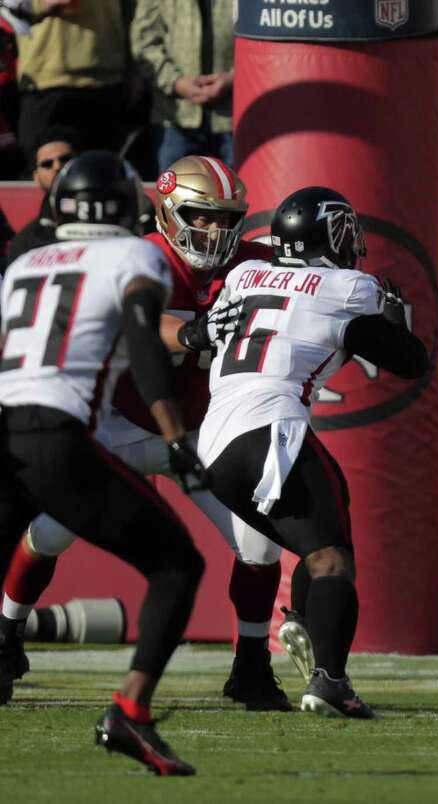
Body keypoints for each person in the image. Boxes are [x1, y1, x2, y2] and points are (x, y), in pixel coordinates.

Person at [0, 156, 296, 712]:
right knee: (50, 532)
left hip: (202, 429)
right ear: (164, 209)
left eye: (227, 219)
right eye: (201, 216)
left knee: (258, 544)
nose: (214, 230)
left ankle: (251, 664)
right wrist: (192, 330)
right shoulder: (139, 256)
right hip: (121, 422)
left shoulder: (252, 262)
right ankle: (8, 631)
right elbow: (145, 323)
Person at [0, 151, 208, 774]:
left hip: (5, 430)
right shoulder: (131, 255)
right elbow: (145, 347)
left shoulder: (24, 263)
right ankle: (130, 712)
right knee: (177, 565)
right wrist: (175, 437)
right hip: (55, 435)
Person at [199, 186, 429, 718]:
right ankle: (330, 679)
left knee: (329, 511)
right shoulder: (349, 287)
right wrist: (395, 321)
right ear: (333, 234)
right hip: (269, 426)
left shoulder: (242, 275)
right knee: (332, 561)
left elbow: (214, 331)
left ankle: (303, 617)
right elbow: (410, 362)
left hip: (216, 439)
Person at [10, 0, 129, 156]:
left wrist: (135, 68)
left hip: (107, 81)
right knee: (45, 170)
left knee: (103, 173)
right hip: (44, 84)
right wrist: (41, 5)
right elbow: (8, 6)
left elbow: (135, 11)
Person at [130, 0, 236, 171]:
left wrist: (233, 78)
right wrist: (175, 82)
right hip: (174, 118)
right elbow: (143, 44)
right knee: (174, 194)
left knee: (233, 193)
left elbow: (260, 40)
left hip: (232, 119)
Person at [8, 125, 77, 262]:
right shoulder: (24, 243)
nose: (57, 167)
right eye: (47, 164)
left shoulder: (114, 221)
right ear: (36, 177)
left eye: (65, 159)